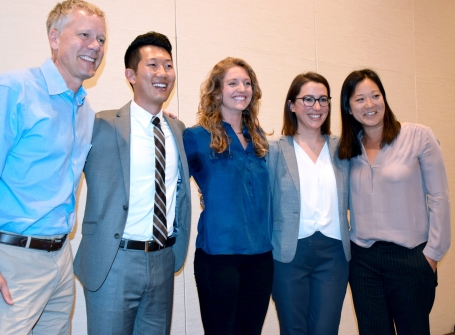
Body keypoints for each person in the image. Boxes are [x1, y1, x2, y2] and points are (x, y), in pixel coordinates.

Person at [73, 32, 191, 335]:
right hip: (114, 261)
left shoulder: (177, 130)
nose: (162, 73)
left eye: (168, 65)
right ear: (131, 74)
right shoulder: (100, 124)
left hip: (163, 259)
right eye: (152, 65)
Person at [0, 1, 106, 333]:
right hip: (13, 257)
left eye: (101, 39)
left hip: (61, 259)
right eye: (85, 34)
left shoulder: (85, 111)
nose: (95, 46)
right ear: (54, 37)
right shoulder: (14, 89)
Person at [338, 69, 450, 335]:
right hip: (363, 260)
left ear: (384, 99)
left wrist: (431, 255)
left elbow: (439, 197)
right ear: (348, 107)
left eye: (375, 95)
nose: (369, 104)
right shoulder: (347, 149)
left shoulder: (418, 136)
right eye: (360, 99)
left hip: (410, 257)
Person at [183, 57, 273, 335]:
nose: (241, 88)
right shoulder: (196, 136)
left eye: (247, 83)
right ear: (217, 91)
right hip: (218, 255)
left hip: (260, 255)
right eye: (233, 82)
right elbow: (171, 185)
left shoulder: (258, 137)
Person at [267, 72, 350, 335]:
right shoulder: (275, 150)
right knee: (293, 329)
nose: (317, 107)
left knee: (326, 329)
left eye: (323, 99)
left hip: (334, 254)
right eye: (308, 99)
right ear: (292, 105)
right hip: (289, 254)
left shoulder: (344, 149)